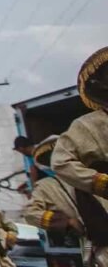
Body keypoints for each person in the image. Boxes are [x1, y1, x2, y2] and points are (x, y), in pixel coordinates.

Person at [51, 47, 108, 266]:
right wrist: (99, 182)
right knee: (92, 253)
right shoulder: (86, 125)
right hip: (97, 224)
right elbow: (61, 162)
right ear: (101, 85)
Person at [23, 136, 105, 264]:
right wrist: (66, 222)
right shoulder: (46, 186)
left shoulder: (96, 174)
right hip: (94, 243)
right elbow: (30, 213)